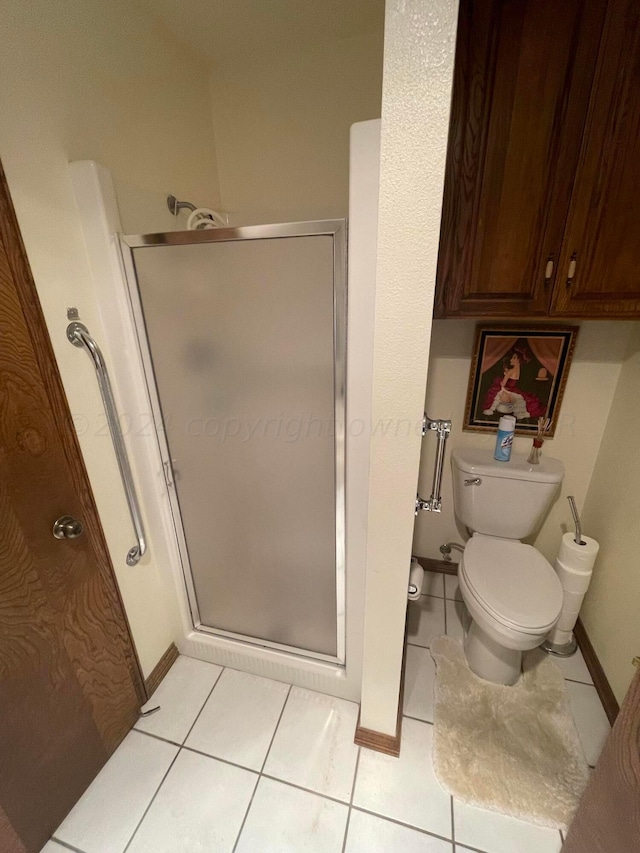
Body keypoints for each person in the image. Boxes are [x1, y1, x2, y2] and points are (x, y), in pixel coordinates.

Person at [482, 345, 546, 420]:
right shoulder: (515, 370)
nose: (511, 360)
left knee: (498, 395)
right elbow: (507, 380)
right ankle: (522, 413)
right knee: (518, 399)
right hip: (511, 388)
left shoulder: (512, 371)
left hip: (509, 388)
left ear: (519, 360)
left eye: (514, 358)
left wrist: (502, 387)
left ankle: (490, 409)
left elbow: (504, 382)